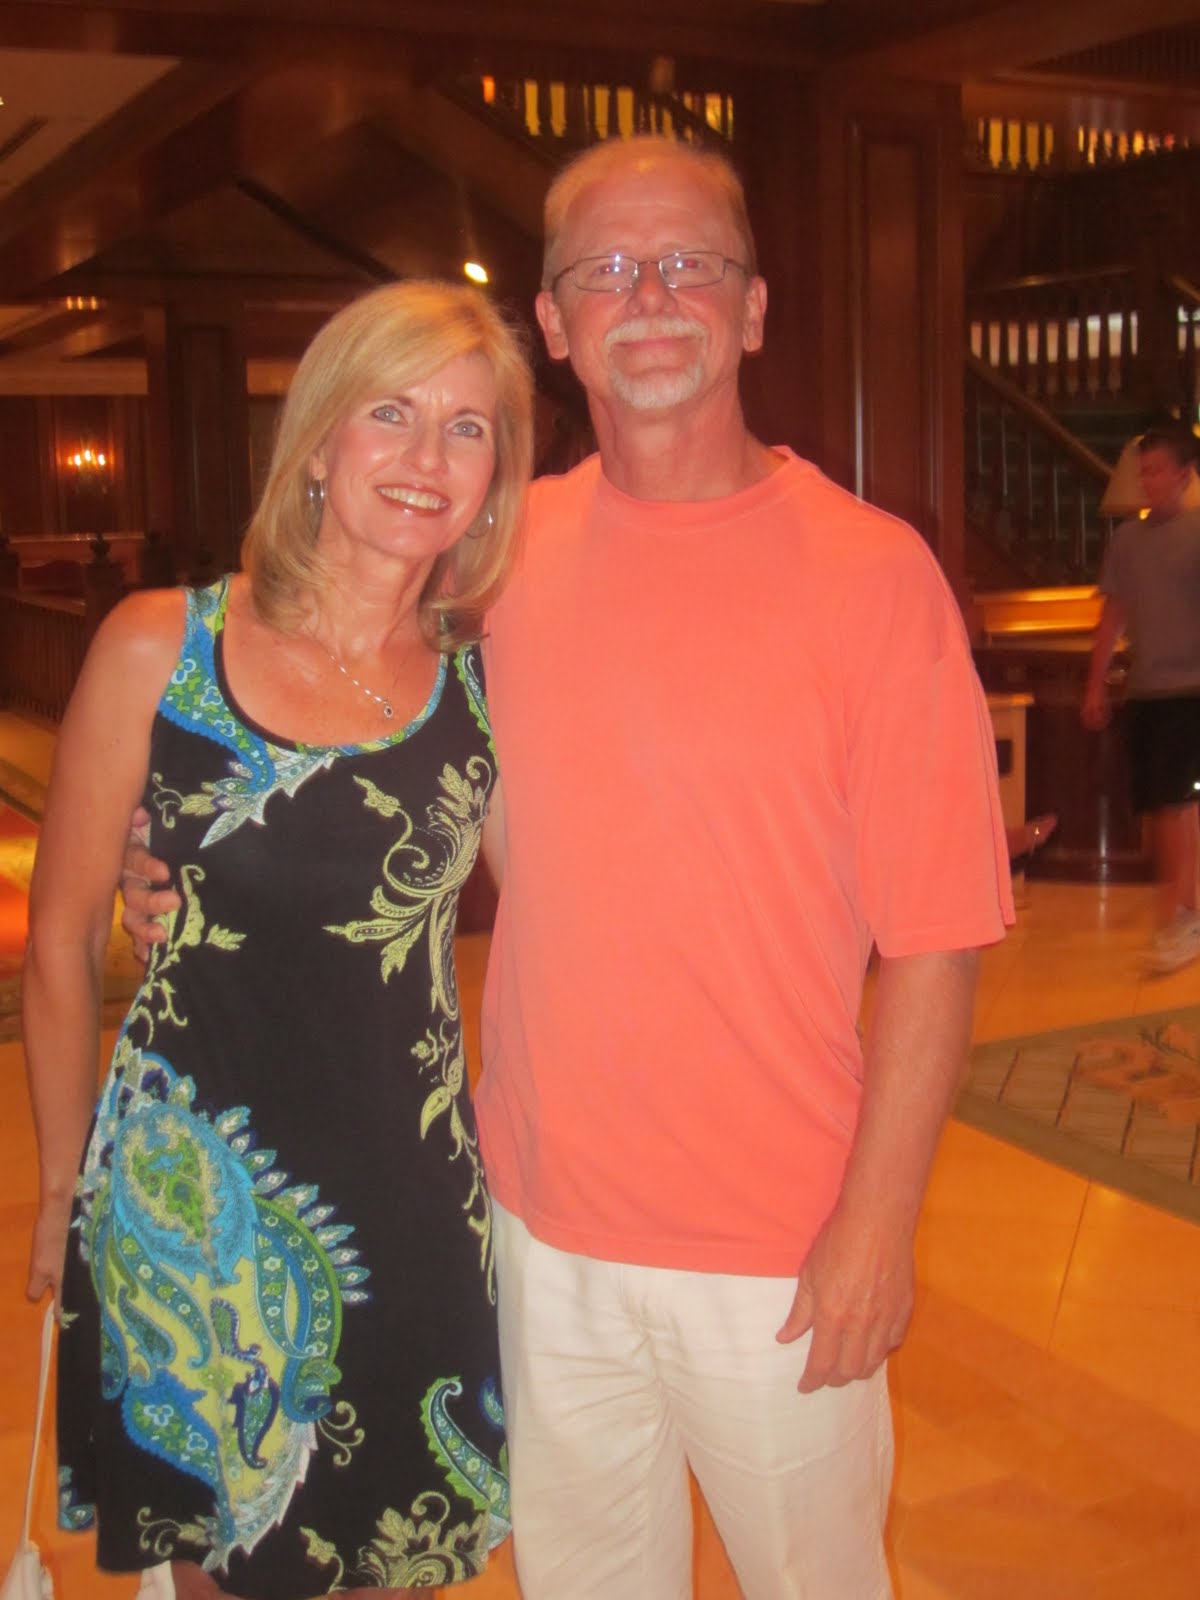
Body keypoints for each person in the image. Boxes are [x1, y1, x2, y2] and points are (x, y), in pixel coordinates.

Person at [124, 137, 1013, 1598]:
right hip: (534, 1233)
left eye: (689, 265)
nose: (648, 297)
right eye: (605, 270)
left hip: (782, 1249)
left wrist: (876, 1226)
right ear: (552, 322)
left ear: (753, 308)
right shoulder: (493, 560)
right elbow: (332, 726)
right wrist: (170, 852)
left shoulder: (874, 576)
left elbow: (939, 938)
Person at [23, 280, 533, 1600]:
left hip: (411, 1204)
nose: (427, 458)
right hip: (191, 1212)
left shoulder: (486, 683)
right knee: (227, 1572)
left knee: (394, 1564)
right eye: (390, 413)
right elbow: (60, 941)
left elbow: (574, 903)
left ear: (497, 475)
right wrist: (64, 1185)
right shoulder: (165, 646)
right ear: (318, 440)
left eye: (467, 428)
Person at [1082, 419, 1200, 974]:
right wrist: (1095, 681)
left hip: (1191, 690)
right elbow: (1114, 615)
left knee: (1177, 807)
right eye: (1143, 471)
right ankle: (1185, 911)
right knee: (1160, 810)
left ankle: (1178, 917)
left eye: (1158, 471)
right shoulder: (1128, 541)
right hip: (1147, 691)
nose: (1149, 481)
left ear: (1185, 475)